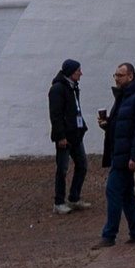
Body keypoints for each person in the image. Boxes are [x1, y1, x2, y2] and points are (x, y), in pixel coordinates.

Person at [98, 61, 135, 245]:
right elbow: (123, 124)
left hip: (125, 155)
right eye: (115, 75)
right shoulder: (123, 95)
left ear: (130, 76)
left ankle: (109, 235)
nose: (116, 79)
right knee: (127, 194)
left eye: (119, 75)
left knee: (113, 190)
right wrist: (108, 124)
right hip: (119, 152)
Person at [49, 58, 88, 215]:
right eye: (78, 70)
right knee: (62, 169)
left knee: (82, 165)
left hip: (75, 134)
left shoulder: (73, 87)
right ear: (71, 72)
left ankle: (74, 197)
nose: (81, 73)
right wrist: (61, 136)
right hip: (65, 136)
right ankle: (58, 201)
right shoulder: (58, 89)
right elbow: (56, 115)